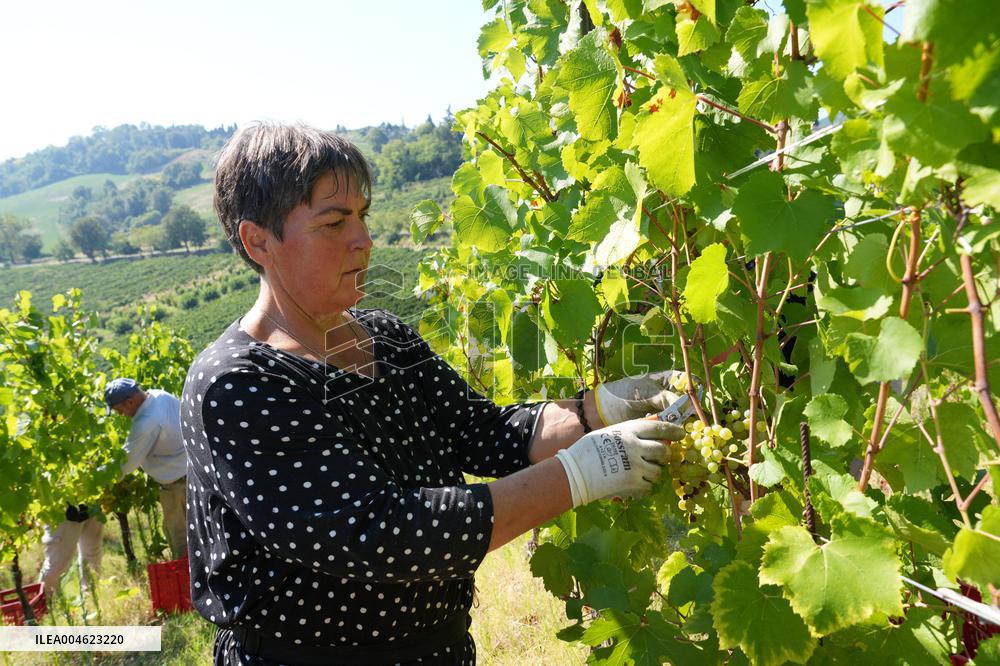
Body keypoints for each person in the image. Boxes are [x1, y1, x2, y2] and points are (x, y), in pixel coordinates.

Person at [181, 122, 685, 665]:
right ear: (259, 241)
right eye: (333, 223)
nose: (363, 240)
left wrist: (599, 409)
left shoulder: (386, 337)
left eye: (362, 217)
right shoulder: (237, 385)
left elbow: (485, 434)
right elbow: (380, 533)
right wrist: (583, 473)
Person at [103, 378, 188, 559]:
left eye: (119, 410)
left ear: (130, 402)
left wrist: (100, 478)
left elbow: (127, 463)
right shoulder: (161, 395)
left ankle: (192, 582)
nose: (121, 415)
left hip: (176, 487)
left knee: (180, 537)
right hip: (194, 474)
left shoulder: (146, 422)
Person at [37, 503, 103, 599]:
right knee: (56, 565)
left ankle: (91, 598)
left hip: (91, 502)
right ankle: (43, 605)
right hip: (62, 509)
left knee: (92, 554)